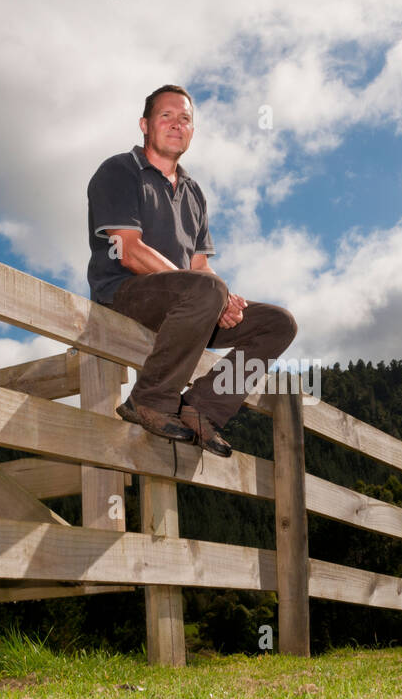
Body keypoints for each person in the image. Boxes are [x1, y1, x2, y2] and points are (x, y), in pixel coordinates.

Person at [85, 84, 297, 457]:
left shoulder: (194, 192)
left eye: (184, 118)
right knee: (205, 290)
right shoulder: (119, 170)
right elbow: (129, 251)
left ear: (192, 132)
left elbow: (200, 265)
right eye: (165, 115)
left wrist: (226, 300)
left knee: (278, 323)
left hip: (188, 306)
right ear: (145, 125)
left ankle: (201, 408)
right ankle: (149, 399)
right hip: (124, 295)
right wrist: (208, 290)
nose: (176, 124)